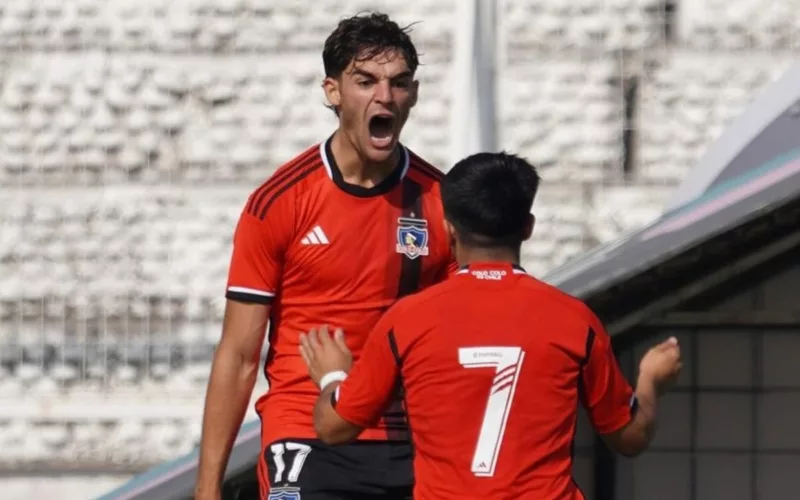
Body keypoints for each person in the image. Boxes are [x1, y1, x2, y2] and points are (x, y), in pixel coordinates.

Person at [298, 152, 683, 500]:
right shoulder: (574, 320)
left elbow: (334, 428)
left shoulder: (407, 320)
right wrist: (650, 379)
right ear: (528, 227)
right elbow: (629, 436)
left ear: (448, 229)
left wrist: (333, 375)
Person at [194, 12, 458, 500]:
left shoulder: (441, 200)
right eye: (366, 81)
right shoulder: (280, 202)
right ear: (332, 91)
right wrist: (207, 489)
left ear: (414, 95)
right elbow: (239, 355)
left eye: (399, 83)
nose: (385, 96)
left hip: (408, 438)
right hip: (303, 431)